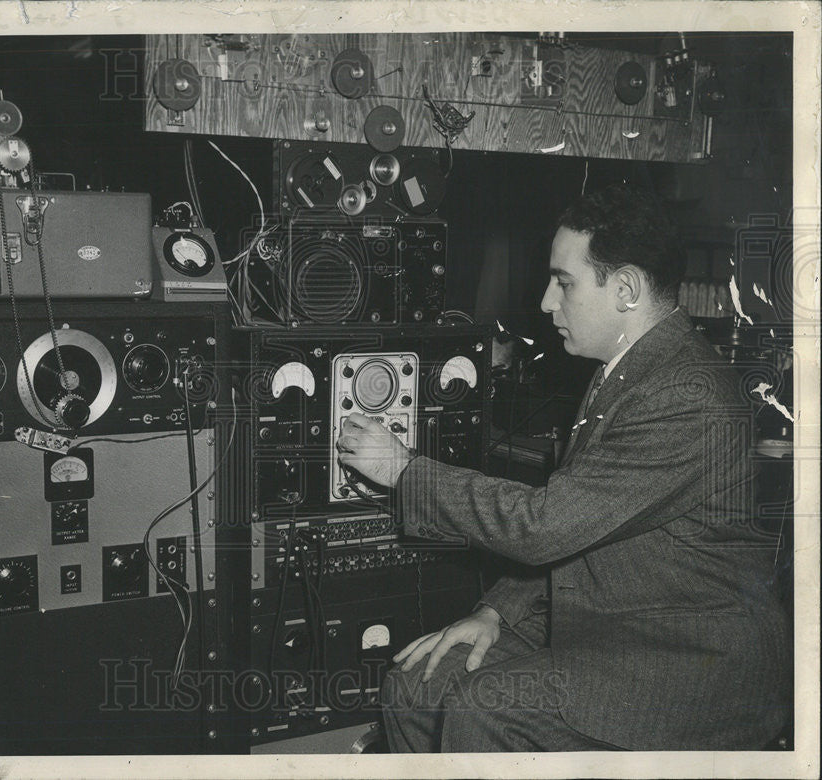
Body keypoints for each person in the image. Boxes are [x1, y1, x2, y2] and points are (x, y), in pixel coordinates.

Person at [336, 184, 791, 752]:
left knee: (485, 707)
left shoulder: (686, 393)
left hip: (695, 665)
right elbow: (581, 526)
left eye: (564, 282)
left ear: (625, 289)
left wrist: (404, 469)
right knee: (417, 685)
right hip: (619, 628)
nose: (548, 302)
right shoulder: (626, 370)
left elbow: (547, 524)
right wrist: (496, 611)